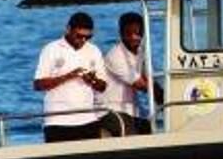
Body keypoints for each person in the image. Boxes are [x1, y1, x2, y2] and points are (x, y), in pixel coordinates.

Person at [33, 12, 109, 143]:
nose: (83, 40)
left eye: (88, 37)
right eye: (79, 36)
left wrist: (92, 80)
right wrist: (69, 76)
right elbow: (38, 84)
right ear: (68, 29)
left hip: (88, 119)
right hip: (57, 121)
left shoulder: (94, 50)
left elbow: (102, 87)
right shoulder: (51, 49)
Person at [101, 12, 153, 135]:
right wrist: (166, 95)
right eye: (129, 34)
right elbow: (140, 85)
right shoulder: (115, 56)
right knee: (132, 135)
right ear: (121, 34)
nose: (134, 37)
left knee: (150, 128)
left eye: (138, 33)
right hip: (112, 110)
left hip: (132, 110)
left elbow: (148, 78)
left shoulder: (141, 52)